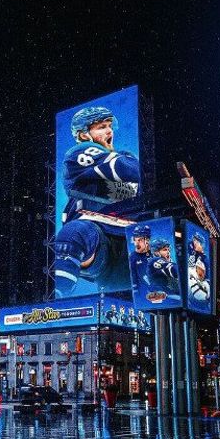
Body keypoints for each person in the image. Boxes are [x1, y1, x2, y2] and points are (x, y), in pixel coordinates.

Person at [51, 105, 140, 297]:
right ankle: (57, 308)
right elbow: (129, 170)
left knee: (125, 298)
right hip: (99, 236)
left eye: (109, 125)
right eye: (101, 127)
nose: (109, 131)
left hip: (131, 239)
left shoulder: (126, 156)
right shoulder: (79, 152)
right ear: (84, 135)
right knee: (74, 235)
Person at [128, 223, 154, 290]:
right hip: (144, 292)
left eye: (140, 240)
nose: (136, 244)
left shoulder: (156, 253)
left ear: (148, 240)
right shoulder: (132, 257)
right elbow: (133, 278)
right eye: (135, 240)